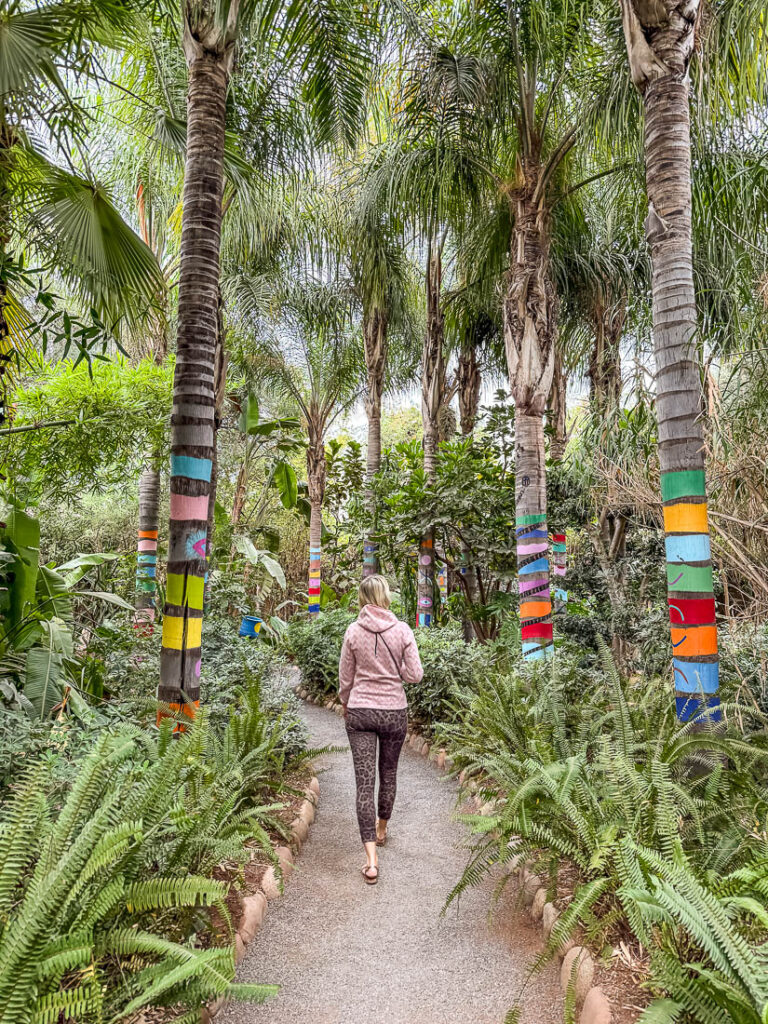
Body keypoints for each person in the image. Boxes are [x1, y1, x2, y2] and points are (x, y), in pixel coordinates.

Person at [338, 574, 424, 885]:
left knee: (364, 783)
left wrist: (346, 702)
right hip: (394, 713)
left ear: (362, 599)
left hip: (360, 711)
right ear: (386, 596)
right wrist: (395, 669)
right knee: (388, 773)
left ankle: (371, 860)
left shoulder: (353, 631)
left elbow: (345, 678)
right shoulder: (402, 630)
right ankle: (382, 828)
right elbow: (415, 674)